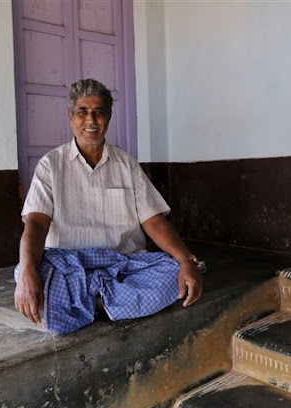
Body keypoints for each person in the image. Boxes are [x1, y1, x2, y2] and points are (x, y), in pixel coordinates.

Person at [14, 78, 203, 333]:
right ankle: (112, 304)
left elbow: (154, 220)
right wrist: (27, 272)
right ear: (71, 117)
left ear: (108, 118)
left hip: (123, 265)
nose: (91, 120)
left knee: (174, 271)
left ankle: (84, 304)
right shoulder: (51, 165)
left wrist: (186, 259)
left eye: (98, 113)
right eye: (82, 112)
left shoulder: (126, 164)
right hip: (69, 266)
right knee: (24, 273)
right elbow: (36, 223)